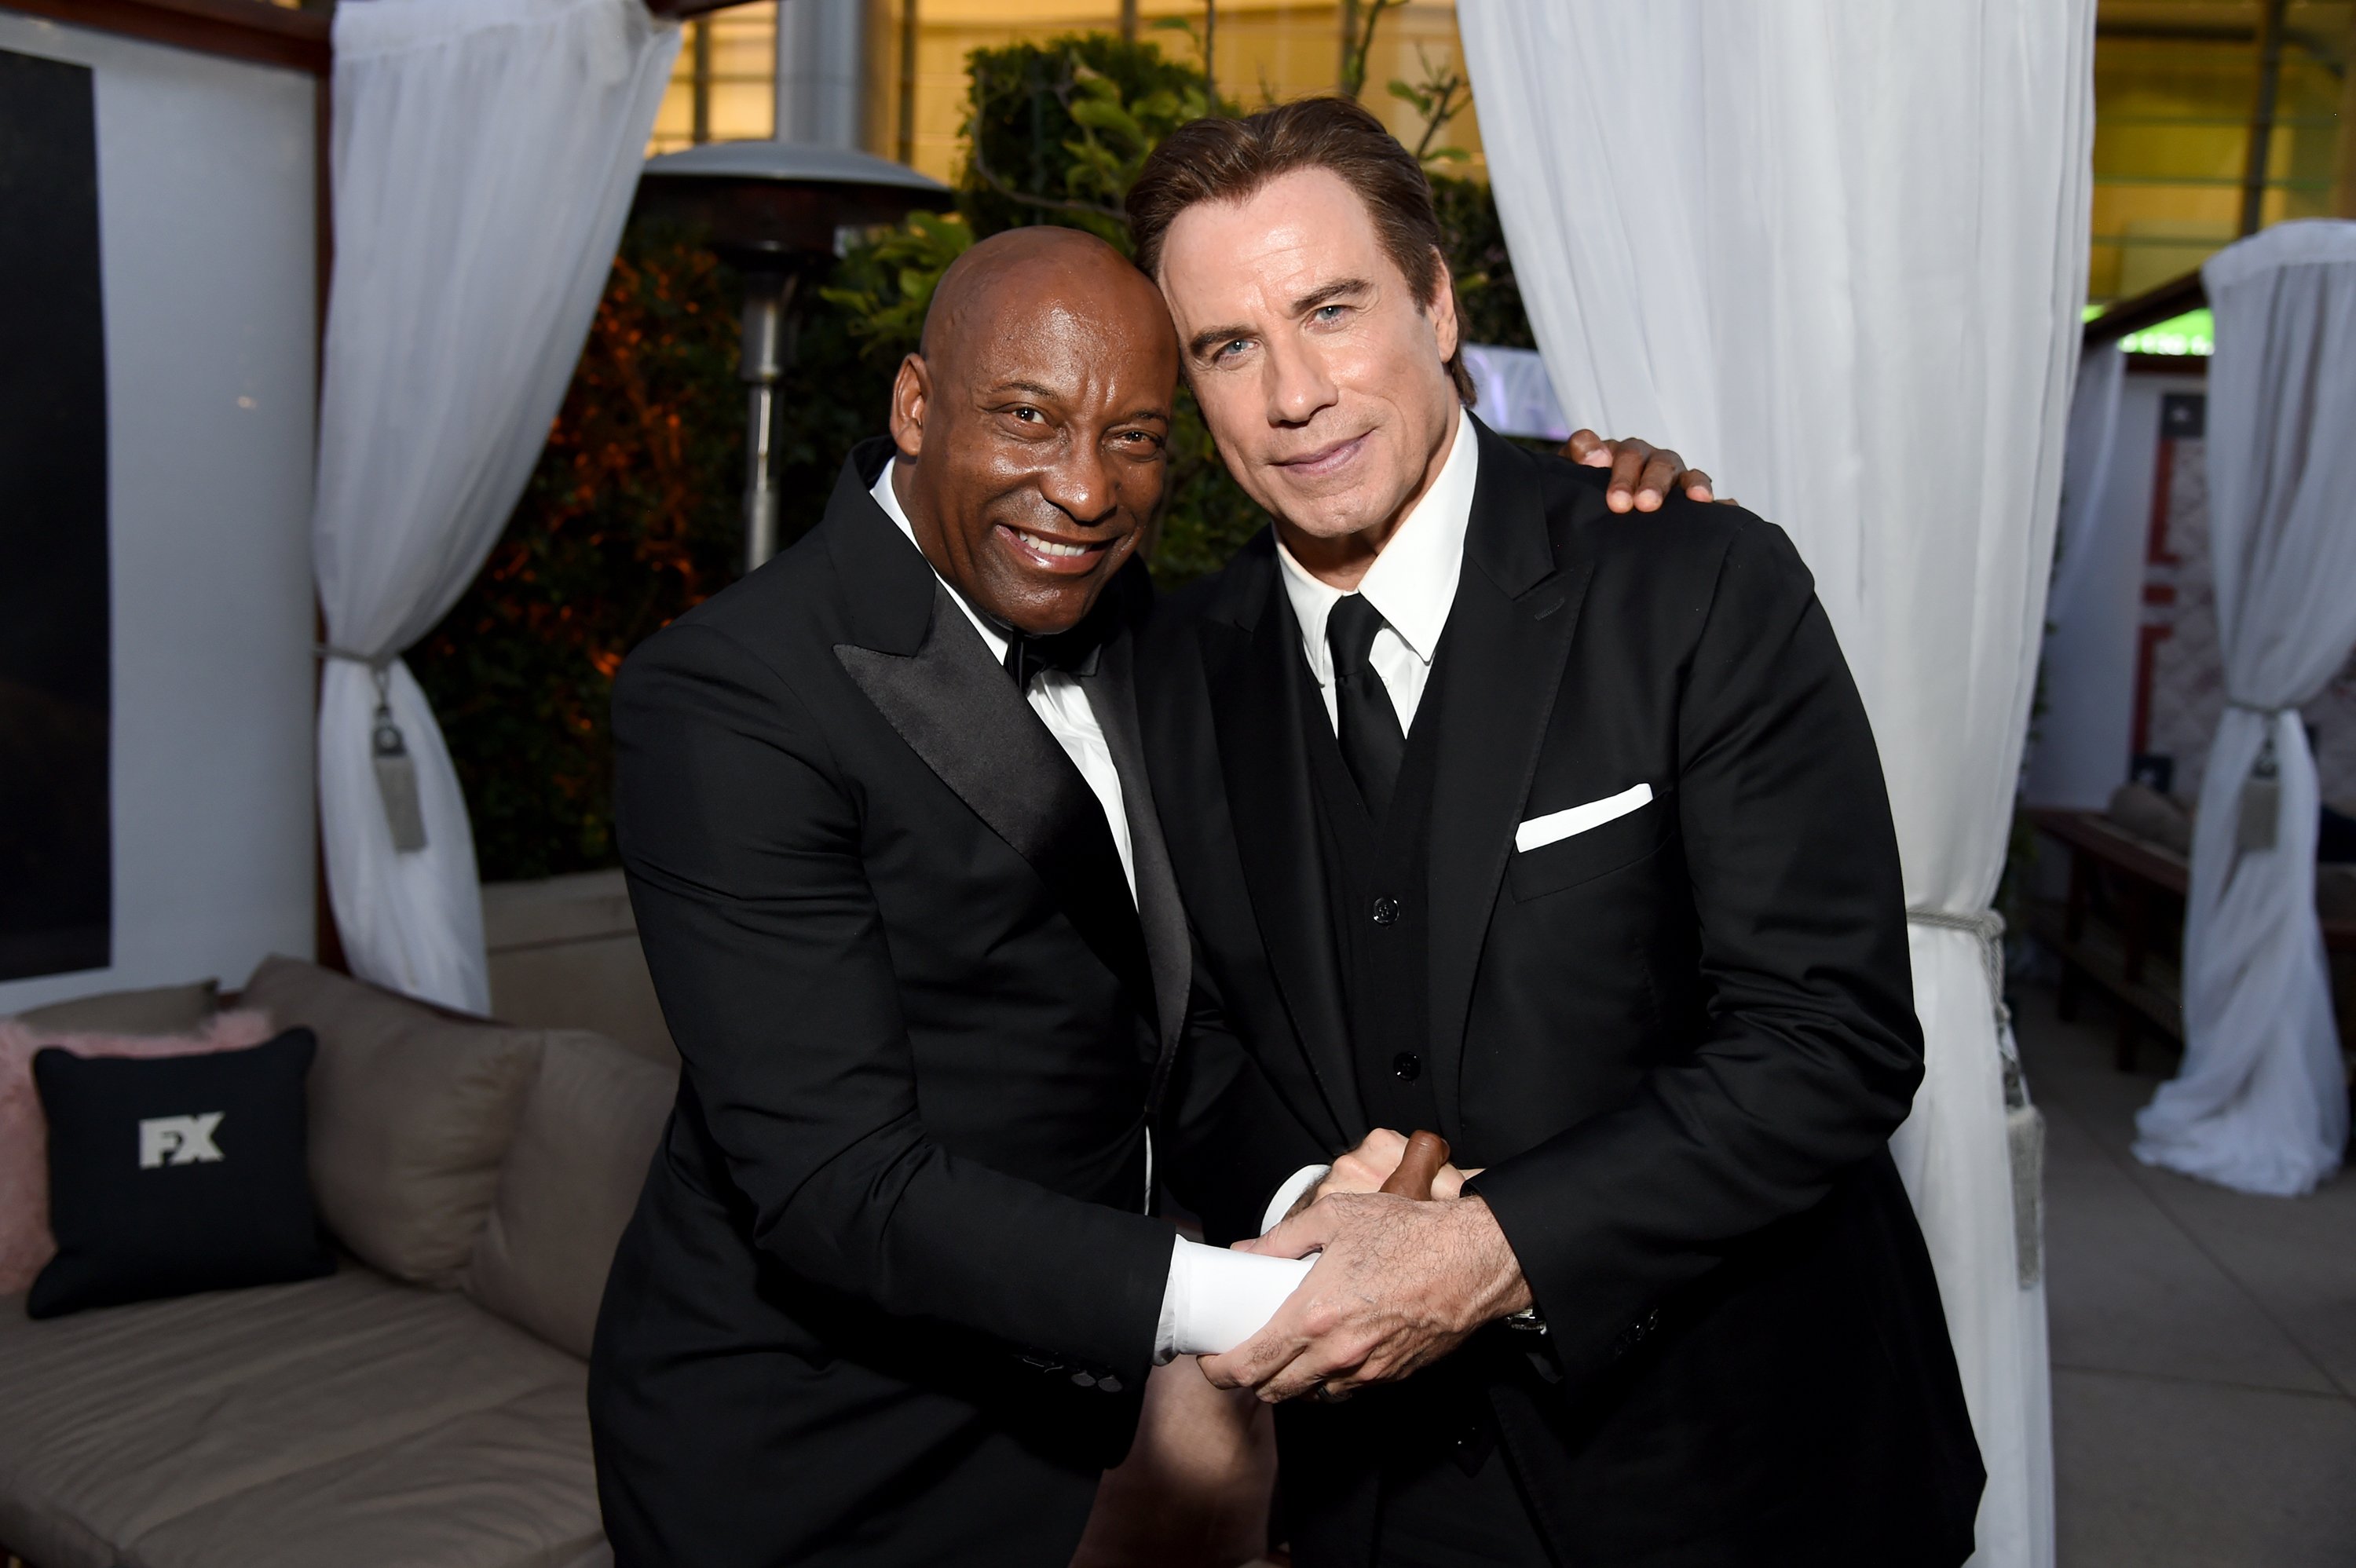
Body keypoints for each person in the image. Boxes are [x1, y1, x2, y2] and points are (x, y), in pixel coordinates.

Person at [586, 218, 1710, 1564]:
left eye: (1133, 437)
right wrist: (1265, 1299)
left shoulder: (1138, 629)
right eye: (1026, 416)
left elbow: (1171, 1015)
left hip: (1055, 1424)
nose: (1083, 488)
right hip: (805, 1443)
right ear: (914, 403)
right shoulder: (726, 695)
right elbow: (839, 1184)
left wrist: (1585, 498)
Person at [1126, 98, 1985, 1566]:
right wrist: (1300, 1204)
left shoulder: (1689, 580)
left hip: (1745, 1476)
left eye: (1332, 310)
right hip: (1383, 1502)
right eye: (1228, 346)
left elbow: (1827, 1037)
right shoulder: (1174, 673)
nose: (1295, 394)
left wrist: (1477, 1251)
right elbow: (1186, 1033)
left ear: (1439, 302)